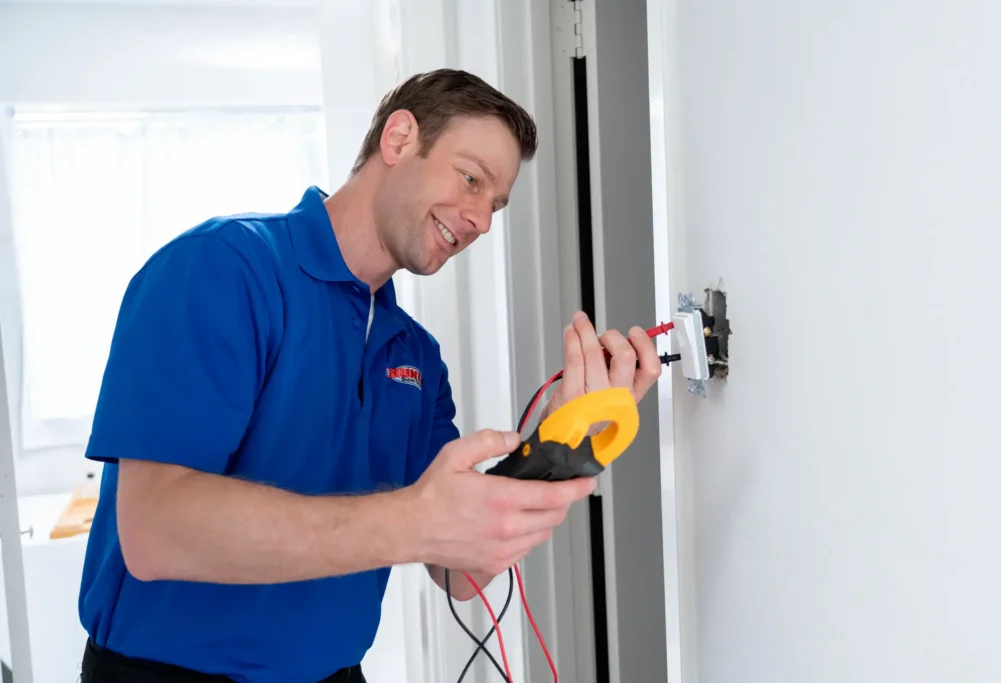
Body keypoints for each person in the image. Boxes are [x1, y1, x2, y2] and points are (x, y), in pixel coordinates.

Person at [76, 69, 662, 683]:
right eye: (471, 179)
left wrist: (563, 445)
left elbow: (461, 572)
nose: (482, 221)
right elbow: (155, 532)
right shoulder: (221, 268)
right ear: (400, 138)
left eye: (495, 204)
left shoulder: (416, 355)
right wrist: (413, 520)